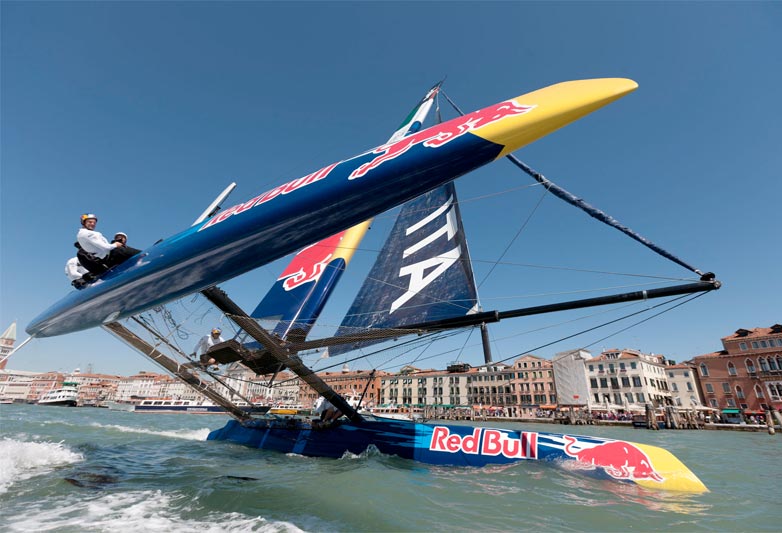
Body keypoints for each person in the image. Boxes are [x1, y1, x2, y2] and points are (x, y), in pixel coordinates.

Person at [76, 214, 141, 275]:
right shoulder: (88, 234)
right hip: (110, 257)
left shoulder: (81, 234)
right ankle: (146, 255)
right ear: (84, 222)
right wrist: (116, 244)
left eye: (94, 222)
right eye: (90, 222)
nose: (93, 224)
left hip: (105, 260)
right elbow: (106, 247)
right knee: (121, 249)